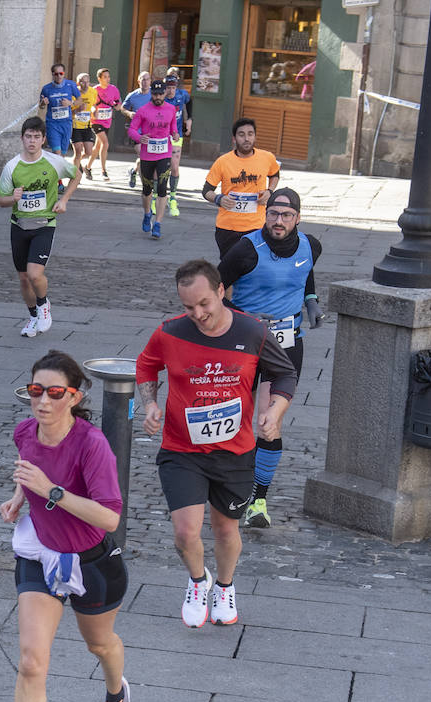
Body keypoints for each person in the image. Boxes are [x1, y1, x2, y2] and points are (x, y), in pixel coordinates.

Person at [0, 351, 132, 702]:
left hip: (91, 559)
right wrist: (19, 497)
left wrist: (51, 490)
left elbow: (109, 517)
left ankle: (116, 695)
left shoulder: (92, 445)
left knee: (101, 645)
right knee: (32, 662)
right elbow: (26, 470)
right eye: (36, 391)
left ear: (75, 395)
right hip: (41, 555)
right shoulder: (24, 432)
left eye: (55, 393)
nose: (44, 402)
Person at [135, 260, 297, 628]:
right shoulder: (170, 332)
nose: (198, 314)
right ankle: (197, 580)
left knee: (226, 530)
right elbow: (145, 366)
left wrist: (275, 410)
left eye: (204, 303)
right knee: (185, 532)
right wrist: (149, 403)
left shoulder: (252, 331)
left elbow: (284, 371)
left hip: (234, 452)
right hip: (181, 450)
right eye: (189, 306)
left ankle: (224, 586)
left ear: (221, 291)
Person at [216, 188, 322, 529]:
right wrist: (240, 317)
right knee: (234, 418)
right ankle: (226, 484)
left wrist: (312, 300)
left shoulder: (311, 245)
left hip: (287, 344)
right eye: (274, 214)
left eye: (286, 216)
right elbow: (213, 291)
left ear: (297, 218)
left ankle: (257, 499)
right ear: (265, 214)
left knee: (268, 422)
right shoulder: (245, 249)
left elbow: (304, 272)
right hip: (245, 343)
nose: (279, 221)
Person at [0, 117, 80, 338]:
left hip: (44, 225)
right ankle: (33, 316)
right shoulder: (12, 166)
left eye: (36, 137)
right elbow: (1, 200)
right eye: (28, 136)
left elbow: (76, 175)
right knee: (23, 277)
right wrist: (12, 198)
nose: (32, 141)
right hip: (19, 226)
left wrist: (64, 200)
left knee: (34, 274)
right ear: (22, 138)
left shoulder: (54, 162)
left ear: (43, 139)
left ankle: (43, 306)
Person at [202, 117, 281, 257]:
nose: (246, 139)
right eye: (241, 134)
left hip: (257, 227)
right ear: (234, 139)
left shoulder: (267, 157)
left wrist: (270, 191)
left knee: (254, 269)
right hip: (227, 228)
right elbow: (206, 191)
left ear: (255, 136)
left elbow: (275, 174)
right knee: (230, 271)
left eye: (250, 134)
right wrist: (218, 199)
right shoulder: (223, 162)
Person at [127, 79, 178, 240]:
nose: (157, 97)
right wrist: (139, 137)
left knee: (162, 188)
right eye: (155, 94)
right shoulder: (143, 110)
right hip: (147, 155)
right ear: (152, 94)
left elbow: (173, 128)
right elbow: (132, 129)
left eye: (160, 94)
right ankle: (147, 213)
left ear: (165, 94)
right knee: (147, 189)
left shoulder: (171, 109)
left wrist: (175, 134)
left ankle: (158, 223)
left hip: (164, 153)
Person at [164, 69, 193, 217]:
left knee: (174, 166)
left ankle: (173, 197)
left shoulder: (182, 95)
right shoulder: (160, 98)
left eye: (173, 86)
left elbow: (190, 102)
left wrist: (189, 119)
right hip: (161, 136)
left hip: (177, 136)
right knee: (161, 168)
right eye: (168, 87)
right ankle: (156, 197)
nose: (170, 90)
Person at [88, 69, 124, 181]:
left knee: (98, 147)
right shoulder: (94, 90)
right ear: (99, 78)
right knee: (105, 143)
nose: (107, 79)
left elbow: (118, 103)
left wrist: (117, 106)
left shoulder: (113, 89)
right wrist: (94, 110)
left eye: (108, 77)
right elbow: (91, 105)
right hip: (95, 121)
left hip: (107, 121)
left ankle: (87, 167)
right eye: (105, 77)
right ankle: (103, 171)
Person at [38, 63, 81, 156]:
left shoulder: (71, 85)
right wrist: (43, 103)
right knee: (57, 153)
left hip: (66, 123)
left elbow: (79, 100)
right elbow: (41, 106)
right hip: (52, 124)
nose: (59, 76)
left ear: (64, 73)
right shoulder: (46, 89)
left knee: (63, 155)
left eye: (61, 73)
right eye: (56, 74)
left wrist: (70, 103)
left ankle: (58, 170)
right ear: (52, 74)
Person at [121, 71, 152, 188]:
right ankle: (146, 183)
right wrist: (129, 114)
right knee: (143, 154)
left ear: (150, 81)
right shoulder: (132, 95)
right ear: (138, 81)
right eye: (142, 80)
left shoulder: (154, 95)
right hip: (137, 132)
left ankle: (133, 171)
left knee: (145, 157)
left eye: (147, 79)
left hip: (151, 132)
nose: (145, 82)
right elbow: (122, 108)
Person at [70, 73, 98, 179]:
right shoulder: (73, 93)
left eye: (87, 81)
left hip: (87, 126)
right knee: (78, 152)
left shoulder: (93, 91)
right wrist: (77, 110)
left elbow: (93, 105)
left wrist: (94, 111)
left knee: (88, 152)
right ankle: (75, 176)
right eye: (82, 81)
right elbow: (69, 112)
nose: (85, 84)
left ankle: (76, 163)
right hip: (75, 126)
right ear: (78, 83)